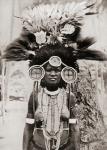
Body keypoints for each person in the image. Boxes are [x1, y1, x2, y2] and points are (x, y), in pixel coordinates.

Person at [2, 1, 107, 150]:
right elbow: (28, 127)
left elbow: (74, 129)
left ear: (65, 72)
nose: (53, 73)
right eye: (49, 69)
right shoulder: (35, 96)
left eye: (57, 70)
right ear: (40, 71)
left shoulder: (68, 96)